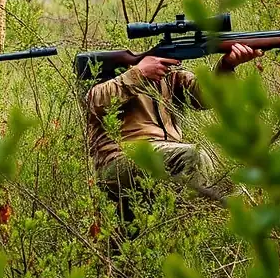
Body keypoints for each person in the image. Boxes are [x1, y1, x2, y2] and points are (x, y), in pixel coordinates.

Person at [84, 43, 261, 225]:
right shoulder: (110, 68)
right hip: (121, 158)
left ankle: (228, 238)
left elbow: (206, 97)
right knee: (192, 156)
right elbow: (92, 100)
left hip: (166, 157)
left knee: (230, 179)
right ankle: (192, 230)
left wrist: (226, 66)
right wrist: (138, 74)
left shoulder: (169, 74)